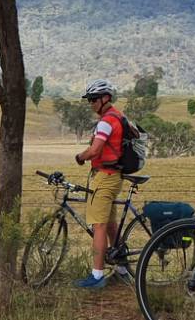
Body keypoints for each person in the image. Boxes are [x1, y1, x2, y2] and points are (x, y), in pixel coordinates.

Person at [73, 79, 132, 288]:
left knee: (98, 225)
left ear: (104, 98)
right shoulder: (118, 115)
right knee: (110, 225)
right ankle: (123, 269)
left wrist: (80, 156)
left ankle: (96, 276)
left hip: (105, 176)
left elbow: (95, 150)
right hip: (114, 176)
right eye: (89, 100)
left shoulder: (106, 121)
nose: (91, 104)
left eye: (93, 99)